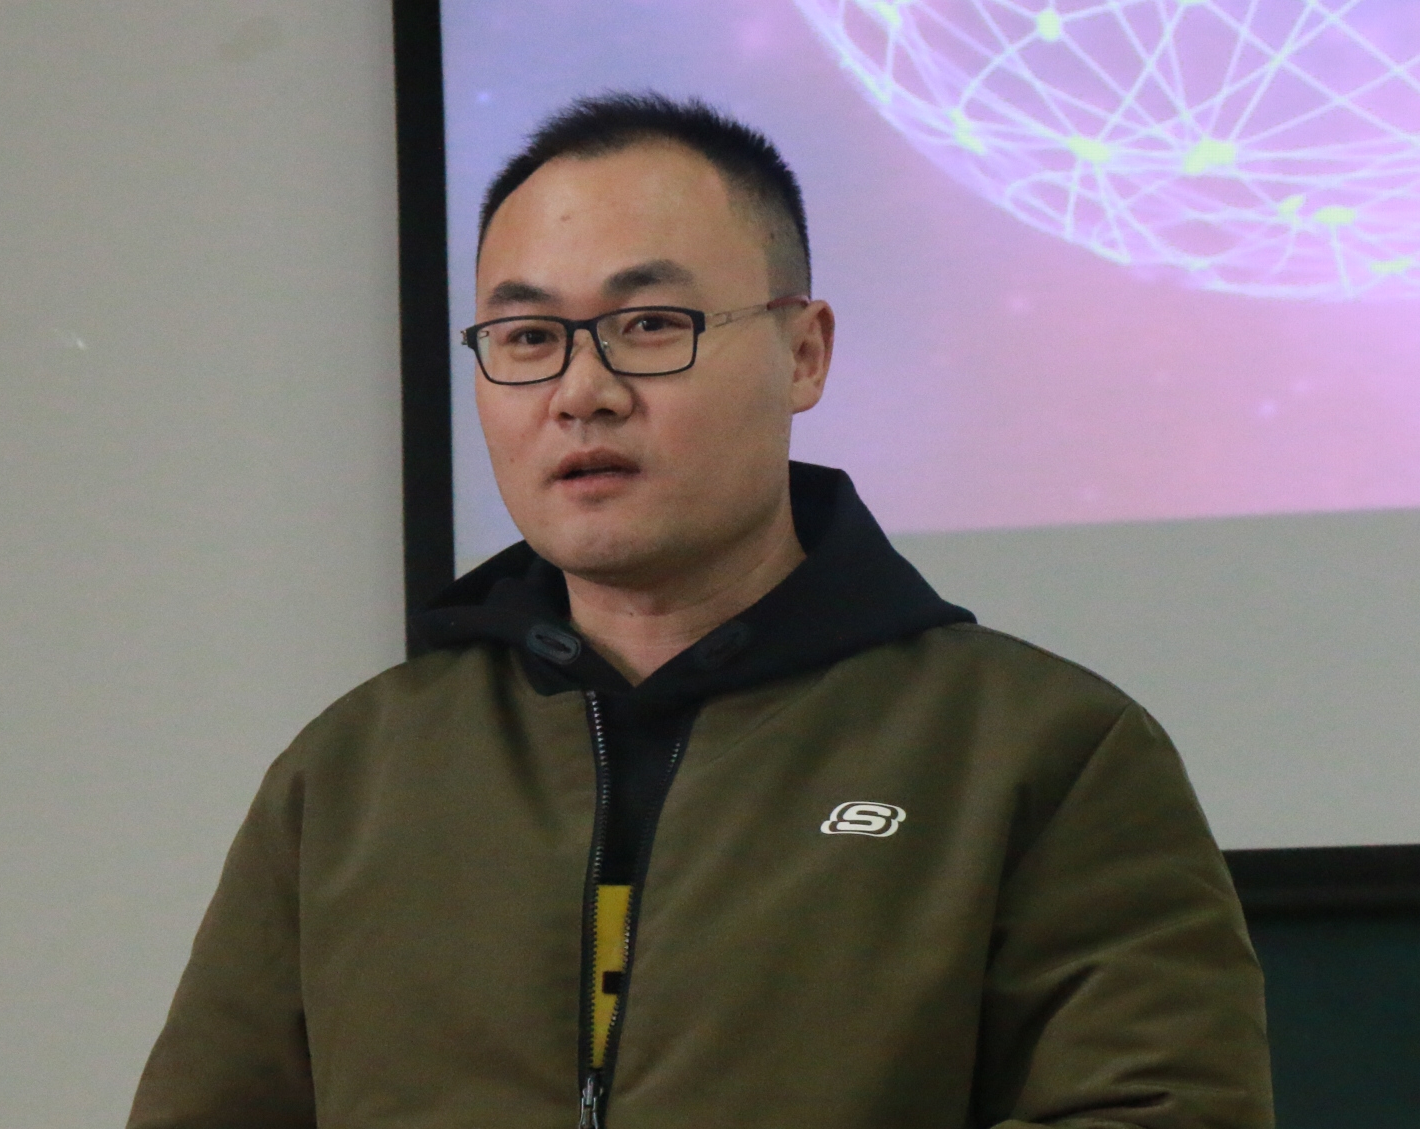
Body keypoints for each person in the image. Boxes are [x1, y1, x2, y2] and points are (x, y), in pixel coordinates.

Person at [128, 93, 1273, 1129]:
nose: (582, 393)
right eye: (527, 338)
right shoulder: (353, 775)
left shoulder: (1039, 751)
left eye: (649, 325)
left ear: (804, 353)